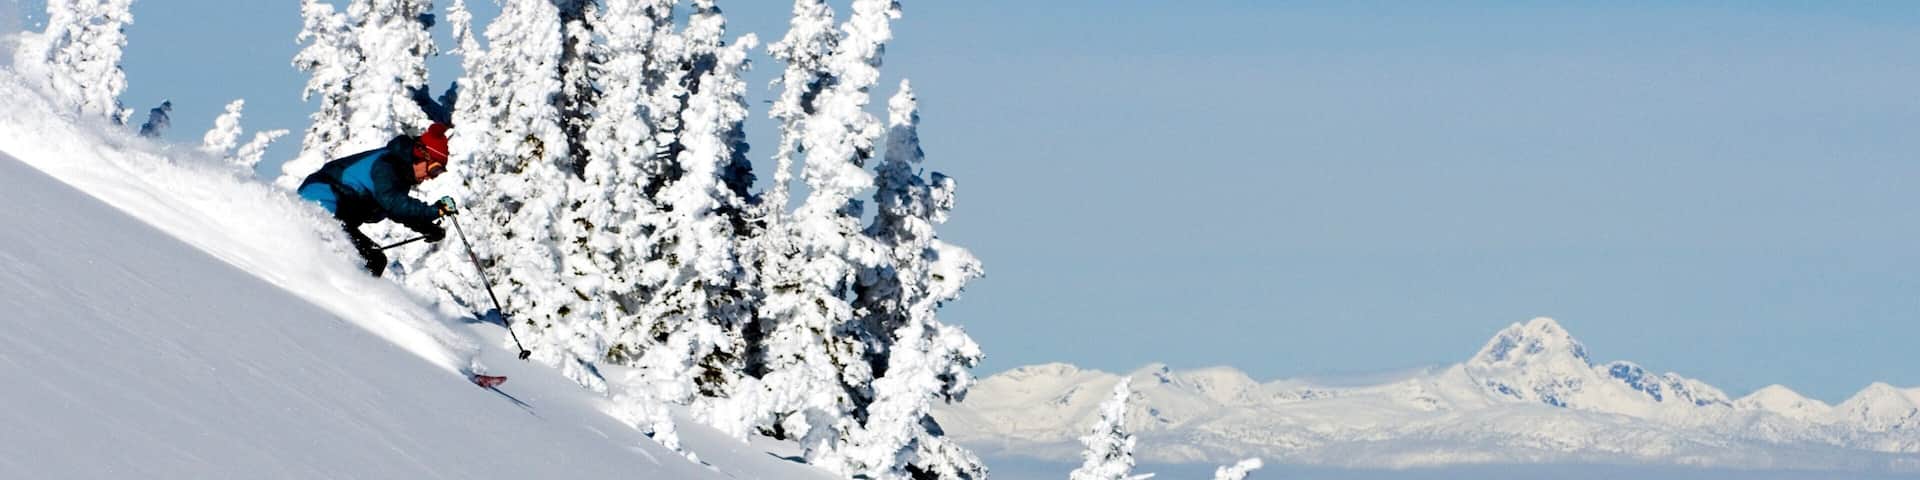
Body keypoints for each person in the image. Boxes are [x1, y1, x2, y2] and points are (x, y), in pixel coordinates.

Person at [297, 123, 458, 277]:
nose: (431, 177)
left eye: (437, 173)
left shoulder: (400, 174)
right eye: (434, 169)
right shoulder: (387, 165)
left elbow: (396, 208)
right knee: (371, 259)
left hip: (334, 211)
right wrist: (435, 210)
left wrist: (427, 227)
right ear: (421, 154)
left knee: (372, 258)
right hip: (322, 202)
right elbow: (393, 203)